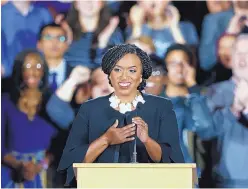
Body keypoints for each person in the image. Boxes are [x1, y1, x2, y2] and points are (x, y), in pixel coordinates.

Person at [57, 44, 184, 187]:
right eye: (117, 69)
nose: (124, 76)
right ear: (109, 74)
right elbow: (71, 165)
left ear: (141, 76)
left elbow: (172, 161)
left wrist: (147, 141)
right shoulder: (90, 109)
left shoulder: (162, 108)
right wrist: (106, 140)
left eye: (132, 70)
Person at [1, 50, 56, 188]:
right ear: (20, 71)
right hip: (9, 173)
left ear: (44, 71)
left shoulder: (52, 103)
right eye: (27, 66)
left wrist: (40, 166)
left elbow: (58, 144)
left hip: (43, 172)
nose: (33, 72)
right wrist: (19, 165)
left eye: (37, 66)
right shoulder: (5, 102)